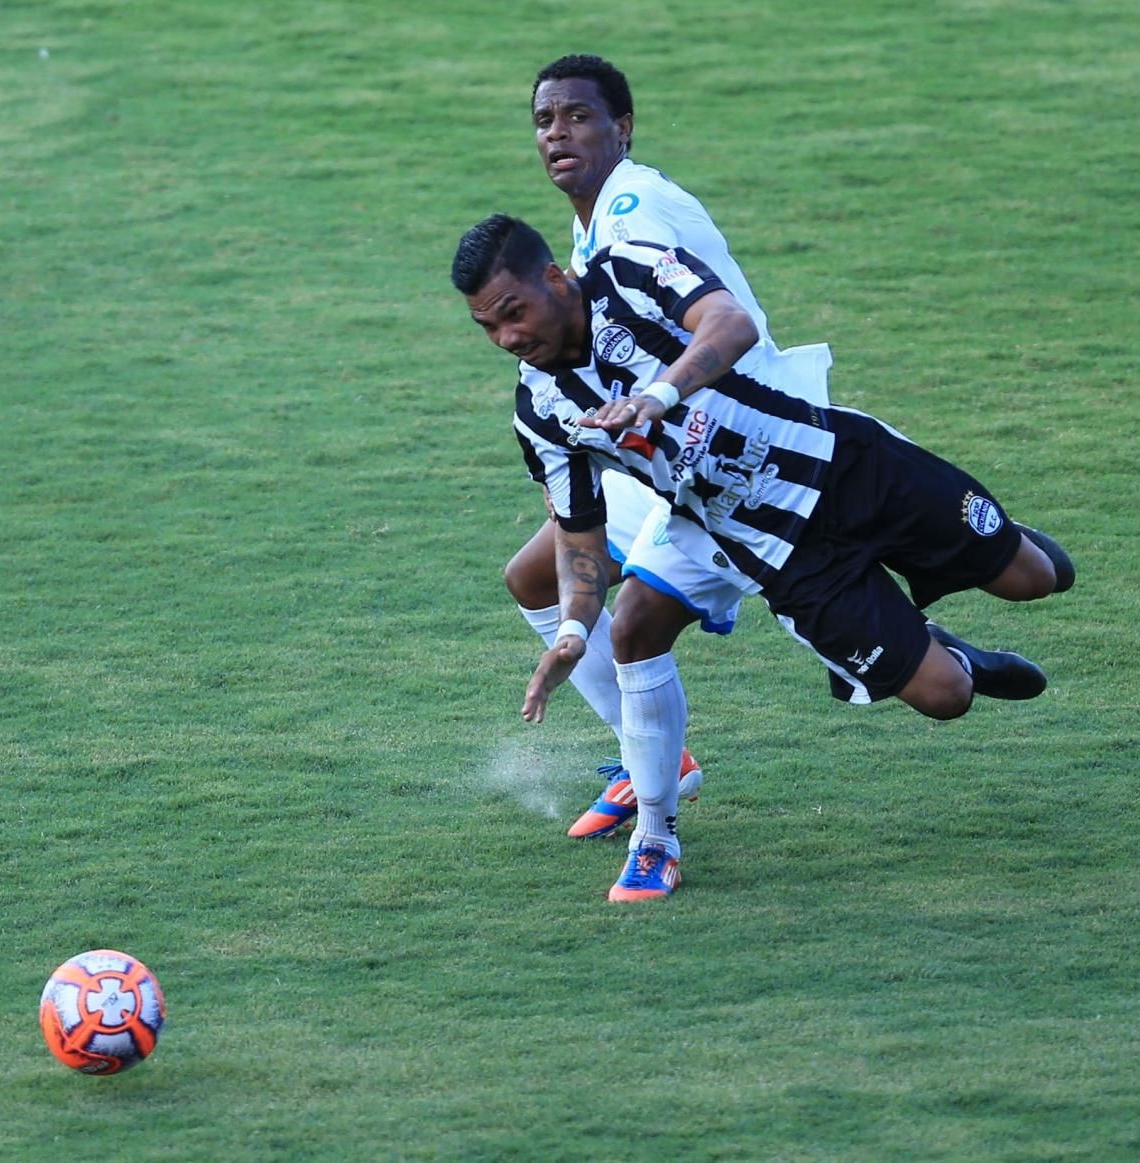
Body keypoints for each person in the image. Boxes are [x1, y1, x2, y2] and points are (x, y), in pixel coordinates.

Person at [451, 214, 1075, 901]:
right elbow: (578, 535)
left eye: (514, 313)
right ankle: (657, 837)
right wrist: (573, 629)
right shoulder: (540, 411)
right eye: (488, 328)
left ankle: (989, 544)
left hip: (846, 467)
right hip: (783, 556)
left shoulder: (629, 271)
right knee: (946, 697)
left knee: (1038, 579)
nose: (509, 338)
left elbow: (731, 323)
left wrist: (659, 394)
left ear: (554, 277)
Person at [508, 54, 835, 841]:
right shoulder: (590, 222)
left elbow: (697, 331)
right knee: (536, 579)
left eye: (579, 116)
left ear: (622, 128)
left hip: (742, 445)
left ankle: (658, 824)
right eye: (545, 120)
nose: (558, 132)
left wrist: (640, 403)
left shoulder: (634, 210)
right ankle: (651, 755)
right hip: (660, 449)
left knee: (643, 620)